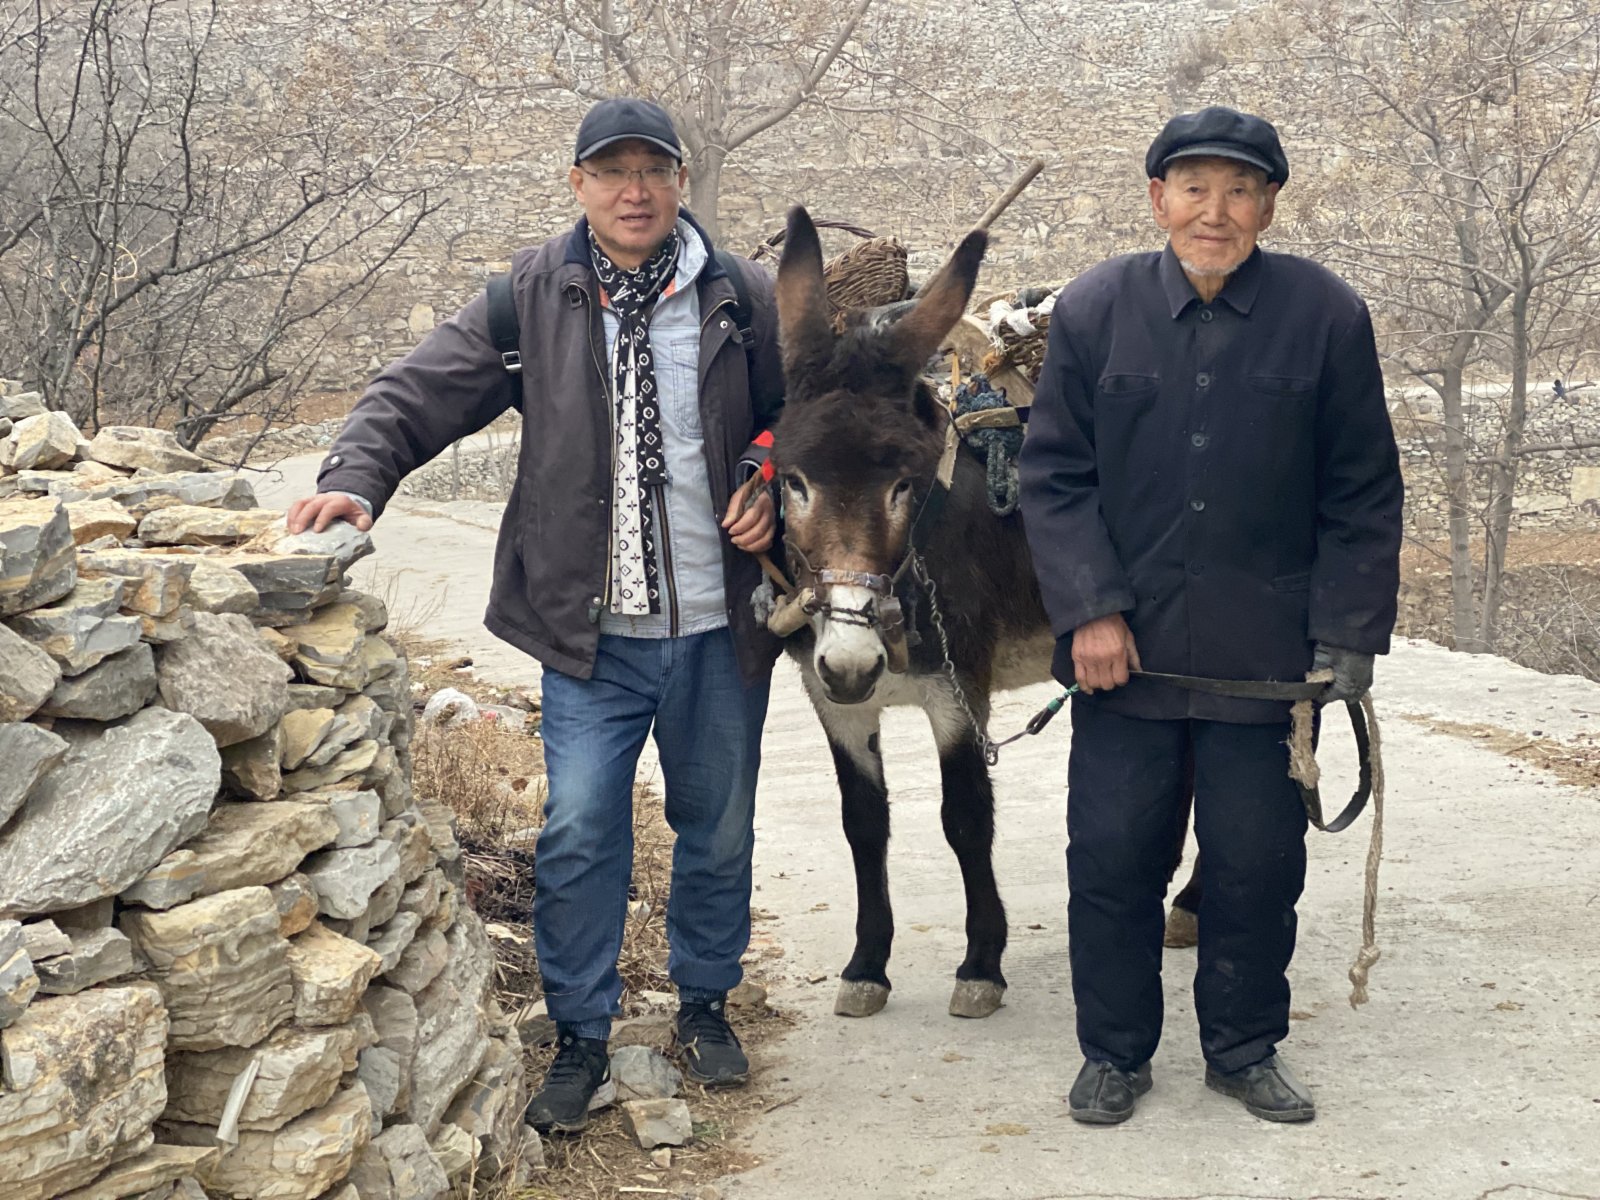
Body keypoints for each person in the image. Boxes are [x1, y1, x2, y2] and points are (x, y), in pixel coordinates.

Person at [286, 97, 786, 1134]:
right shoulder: (527, 298)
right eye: (612, 172)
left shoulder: (741, 295)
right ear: (579, 186)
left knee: (717, 825)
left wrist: (769, 470)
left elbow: (802, 415)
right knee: (579, 831)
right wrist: (354, 478)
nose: (634, 190)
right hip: (587, 635)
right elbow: (416, 392)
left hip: (718, 626)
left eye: (653, 170)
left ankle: (703, 1003)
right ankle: (583, 1034)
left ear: (681, 182)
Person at [1018, 106, 1403, 1125]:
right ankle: (1114, 1054)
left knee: (1255, 867)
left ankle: (1241, 1049)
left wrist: (1349, 634)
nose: (1215, 211)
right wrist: (1089, 610)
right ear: (1158, 199)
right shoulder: (1096, 309)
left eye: (1239, 191)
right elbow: (1053, 479)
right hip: (1124, 662)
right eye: (1194, 188)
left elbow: (1361, 491)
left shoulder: (1327, 317)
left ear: (1269, 203)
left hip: (1265, 668)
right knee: (1110, 863)